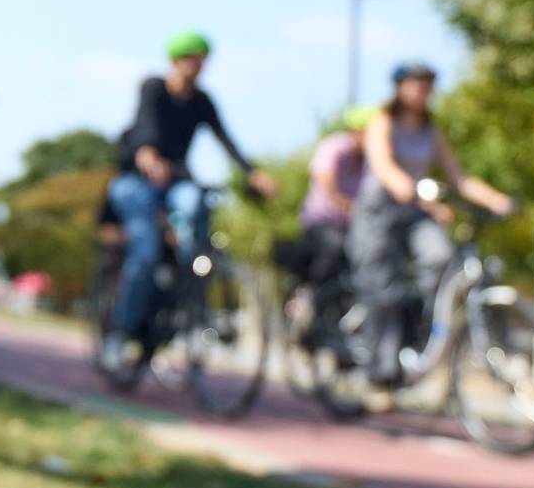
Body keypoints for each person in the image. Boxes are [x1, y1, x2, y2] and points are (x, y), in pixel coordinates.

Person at [98, 31, 276, 369]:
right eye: (191, 58)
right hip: (137, 179)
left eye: (202, 59)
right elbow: (146, 123)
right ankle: (118, 334)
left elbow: (224, 137)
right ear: (176, 61)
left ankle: (185, 297)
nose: (197, 65)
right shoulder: (154, 87)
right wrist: (147, 153)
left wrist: (251, 172)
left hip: (176, 180)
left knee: (194, 212)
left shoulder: (202, 101)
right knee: (144, 253)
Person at [348, 63, 515, 377]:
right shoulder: (382, 122)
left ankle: (418, 325)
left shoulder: (431, 131)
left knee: (440, 257)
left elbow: (459, 177)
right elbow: (383, 165)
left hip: (414, 209)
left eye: (427, 85)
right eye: (416, 84)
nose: (423, 91)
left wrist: (497, 200)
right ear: (400, 88)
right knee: (383, 284)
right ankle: (381, 366)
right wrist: (407, 187)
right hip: (379, 211)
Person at [283, 105, 374, 347]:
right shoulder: (335, 147)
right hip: (322, 221)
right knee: (332, 248)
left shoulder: (371, 160)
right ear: (356, 131)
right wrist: (346, 204)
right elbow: (325, 180)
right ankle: (310, 301)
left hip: (354, 227)